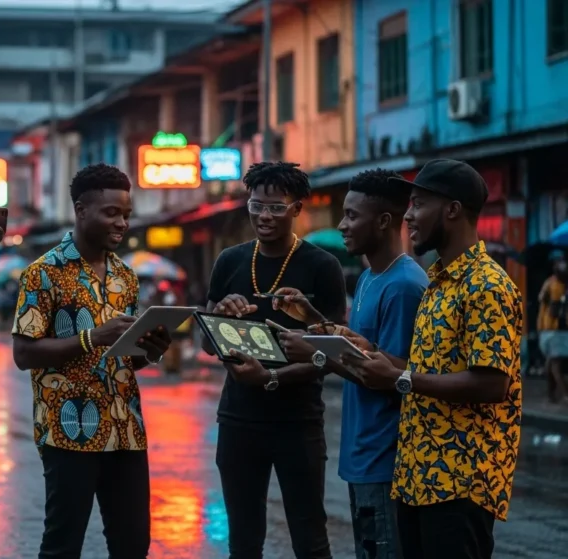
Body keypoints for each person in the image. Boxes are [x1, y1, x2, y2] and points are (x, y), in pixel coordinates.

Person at [344, 159, 522, 559]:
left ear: (452, 210)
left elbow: (493, 383)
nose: (408, 216)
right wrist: (356, 344)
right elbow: (421, 367)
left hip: (461, 483)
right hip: (417, 478)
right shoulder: (440, 282)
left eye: (418, 205)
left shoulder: (487, 286)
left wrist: (401, 380)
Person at [11, 163, 172, 559]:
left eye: (126, 215)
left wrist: (151, 348)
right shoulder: (42, 273)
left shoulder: (125, 277)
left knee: (133, 545)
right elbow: (24, 352)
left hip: (126, 429)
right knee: (63, 546)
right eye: (112, 213)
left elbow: (126, 361)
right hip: (69, 431)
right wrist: (90, 338)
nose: (122, 223)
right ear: (81, 210)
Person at [273, 169, 428, 559]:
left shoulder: (404, 286)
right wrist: (312, 318)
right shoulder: (369, 278)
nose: (342, 225)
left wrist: (315, 352)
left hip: (387, 459)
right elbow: (360, 345)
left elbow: (388, 373)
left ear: (384, 222)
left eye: (352, 216)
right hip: (362, 454)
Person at [204, 161, 346, 559]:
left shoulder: (322, 266)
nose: (264, 216)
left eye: (276, 207)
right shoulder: (230, 260)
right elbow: (205, 340)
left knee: (310, 538)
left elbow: (334, 353)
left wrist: (270, 378)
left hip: (297, 422)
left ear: (298, 208)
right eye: (255, 206)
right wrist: (221, 318)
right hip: (238, 419)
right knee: (244, 540)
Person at [538, 250, 568, 403]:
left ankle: (551, 394)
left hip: (563, 328)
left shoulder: (566, 283)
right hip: (550, 328)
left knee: (552, 362)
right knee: (555, 362)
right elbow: (542, 299)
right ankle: (564, 393)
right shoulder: (550, 283)